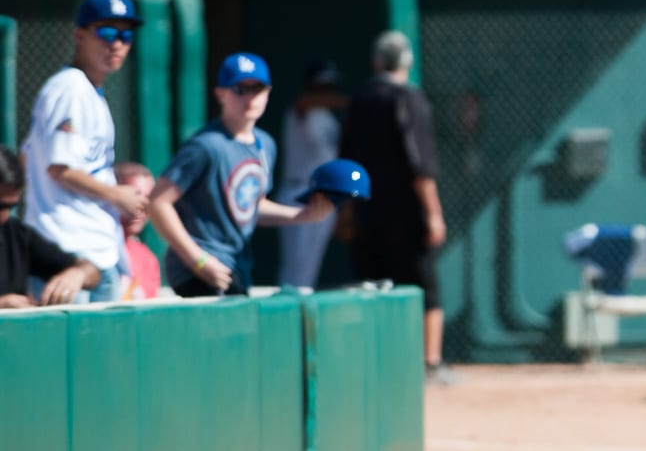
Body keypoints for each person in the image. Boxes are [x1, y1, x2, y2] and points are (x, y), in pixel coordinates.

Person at [149, 53, 332, 298]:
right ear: (221, 94)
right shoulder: (206, 146)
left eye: (256, 89)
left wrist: (304, 215)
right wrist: (198, 261)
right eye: (239, 89)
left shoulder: (266, 144)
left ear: (268, 92)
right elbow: (158, 202)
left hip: (236, 269)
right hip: (198, 273)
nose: (249, 98)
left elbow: (249, 208)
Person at [22, 0, 146, 303]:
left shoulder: (89, 92)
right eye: (106, 32)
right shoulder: (71, 88)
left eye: (125, 35)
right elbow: (59, 169)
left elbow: (29, 156)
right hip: (66, 252)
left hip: (92, 250)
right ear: (79, 35)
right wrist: (116, 194)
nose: (116, 43)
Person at [339, 30, 449, 378]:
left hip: (369, 211)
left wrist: (346, 211)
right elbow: (420, 166)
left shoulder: (360, 100)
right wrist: (433, 213)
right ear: (406, 62)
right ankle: (430, 362)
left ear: (376, 62)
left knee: (371, 286)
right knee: (424, 288)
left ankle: (377, 363)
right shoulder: (409, 98)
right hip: (407, 214)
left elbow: (347, 162)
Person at [0, 144, 101, 307]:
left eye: (10, 207)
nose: (4, 216)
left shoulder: (16, 235)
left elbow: (92, 272)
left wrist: (77, 274)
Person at [277, 59, 347, 289]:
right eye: (320, 85)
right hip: (299, 192)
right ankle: (285, 318)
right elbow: (305, 102)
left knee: (308, 271)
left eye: (328, 85)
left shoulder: (327, 118)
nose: (324, 89)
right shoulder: (300, 108)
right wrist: (354, 102)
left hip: (323, 196)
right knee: (295, 270)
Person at [113, 162, 161, 301]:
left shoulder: (147, 258)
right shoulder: (97, 254)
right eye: (134, 198)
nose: (141, 208)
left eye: (148, 199)